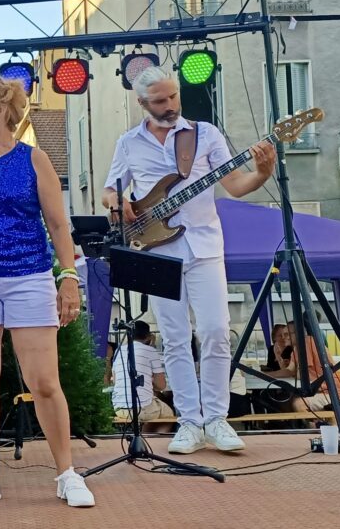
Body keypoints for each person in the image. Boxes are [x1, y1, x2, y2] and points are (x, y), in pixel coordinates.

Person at [0, 78, 95, 510]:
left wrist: (68, 276)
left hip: (28, 275)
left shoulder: (34, 159)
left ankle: (67, 474)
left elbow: (58, 225)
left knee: (43, 380)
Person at [101, 67, 275, 455]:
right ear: (141, 103)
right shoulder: (128, 143)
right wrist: (118, 202)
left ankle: (216, 418)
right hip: (157, 250)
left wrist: (262, 173)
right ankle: (189, 422)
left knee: (215, 330)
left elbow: (235, 185)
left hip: (205, 246)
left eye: (173, 96)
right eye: (159, 101)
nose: (170, 106)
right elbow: (109, 191)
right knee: (175, 337)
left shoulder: (206, 134)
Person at [111, 321, 175, 432]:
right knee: (168, 413)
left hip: (119, 408)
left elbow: (115, 381)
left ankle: (143, 433)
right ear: (149, 336)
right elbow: (161, 385)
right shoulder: (151, 351)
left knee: (149, 403)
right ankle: (150, 435)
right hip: (140, 409)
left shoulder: (119, 350)